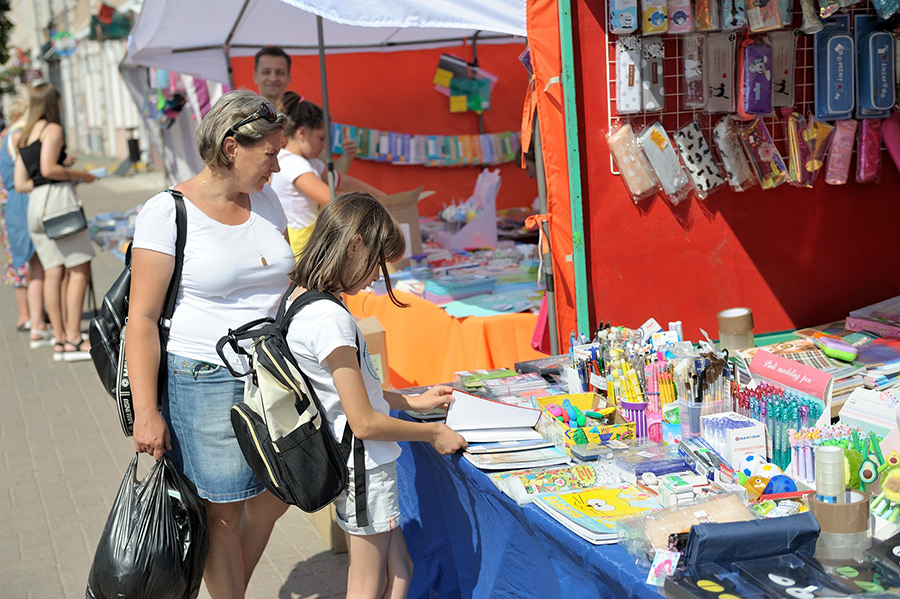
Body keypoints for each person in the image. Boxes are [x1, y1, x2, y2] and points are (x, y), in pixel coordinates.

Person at [126, 89, 295, 599]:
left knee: (280, 491)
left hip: (274, 371)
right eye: (270, 154)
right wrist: (147, 411)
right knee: (222, 514)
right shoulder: (167, 211)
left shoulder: (266, 198)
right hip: (205, 377)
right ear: (230, 147)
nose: (278, 166)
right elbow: (142, 319)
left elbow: (286, 280)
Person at [285, 192, 468, 599]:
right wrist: (434, 435)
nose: (375, 278)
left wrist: (412, 401)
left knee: (399, 568)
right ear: (355, 246)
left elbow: (348, 390)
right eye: (378, 264)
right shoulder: (329, 318)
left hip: (354, 463)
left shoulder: (301, 299)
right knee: (372, 582)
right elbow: (363, 421)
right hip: (364, 467)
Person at [15, 82, 97, 361]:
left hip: (35, 204)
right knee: (79, 267)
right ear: (53, 103)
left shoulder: (23, 135)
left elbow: (21, 183)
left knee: (53, 270)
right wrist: (79, 174)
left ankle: (59, 339)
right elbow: (49, 167)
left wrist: (51, 175)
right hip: (57, 202)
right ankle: (74, 337)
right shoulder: (53, 129)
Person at [270, 92, 383, 254]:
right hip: (298, 248)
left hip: (308, 242)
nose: (324, 146)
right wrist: (377, 208)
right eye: (321, 139)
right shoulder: (293, 164)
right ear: (301, 133)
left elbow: (345, 182)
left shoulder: (309, 162)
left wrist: (385, 198)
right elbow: (332, 198)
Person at [0, 94, 43, 335]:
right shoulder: (17, 137)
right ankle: (31, 317)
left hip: (9, 203)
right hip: (20, 201)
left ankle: (27, 315)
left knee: (19, 260)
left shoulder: (5, 136)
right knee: (32, 261)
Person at [253, 46, 292, 112]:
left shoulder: (305, 117)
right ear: (255, 77)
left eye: (280, 72)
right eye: (266, 72)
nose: (273, 79)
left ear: (288, 78)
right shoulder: (242, 117)